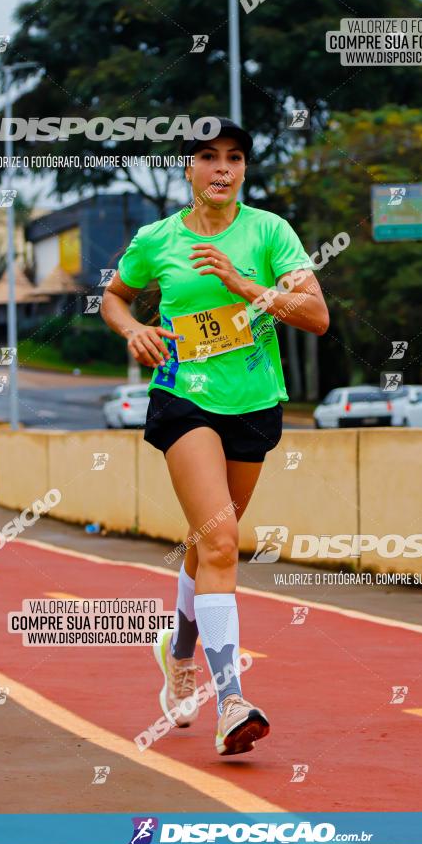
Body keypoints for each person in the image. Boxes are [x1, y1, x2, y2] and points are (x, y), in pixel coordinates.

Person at [101, 116, 329, 756]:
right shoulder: (158, 238)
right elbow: (113, 297)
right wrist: (132, 330)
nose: (222, 168)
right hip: (182, 398)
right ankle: (230, 699)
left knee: (211, 544)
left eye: (234, 156)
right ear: (189, 169)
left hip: (255, 404)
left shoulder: (270, 233)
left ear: (245, 169)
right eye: (208, 157)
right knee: (224, 540)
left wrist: (244, 284)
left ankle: (177, 652)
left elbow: (315, 316)